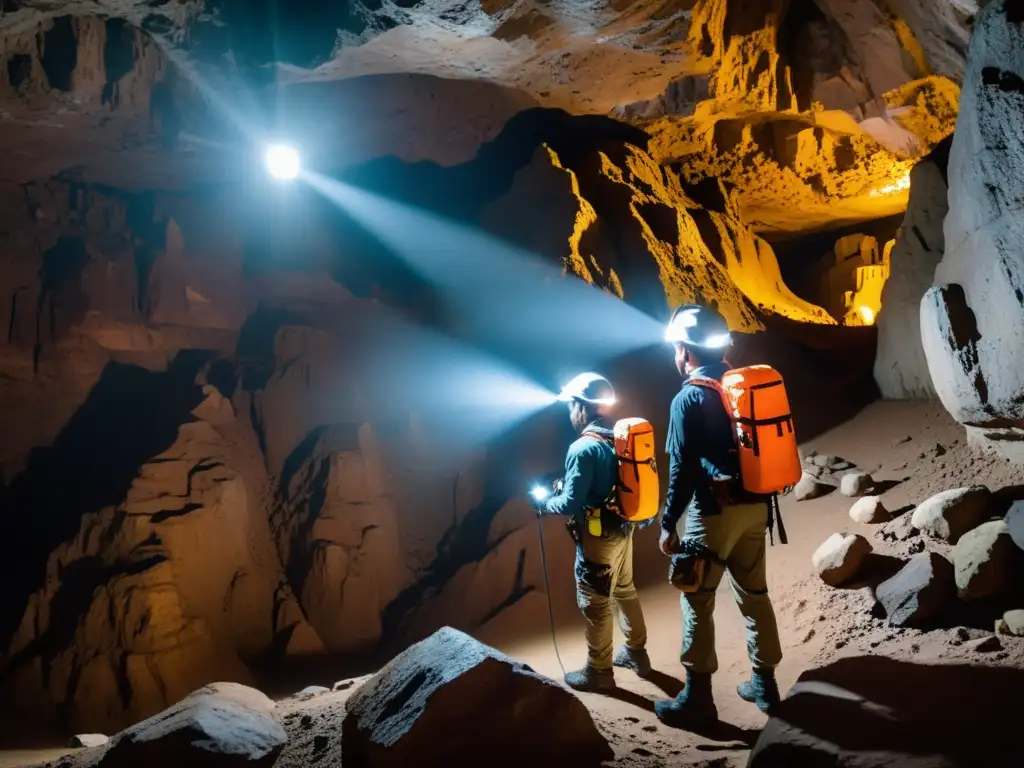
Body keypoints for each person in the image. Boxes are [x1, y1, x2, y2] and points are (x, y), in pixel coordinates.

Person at [653, 305, 783, 727]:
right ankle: (765, 685)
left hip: (713, 513)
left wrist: (668, 521)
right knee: (754, 594)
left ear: (685, 350)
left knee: (696, 597)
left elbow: (682, 468)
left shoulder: (688, 396)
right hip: (757, 508)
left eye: (676, 348)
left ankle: (698, 698)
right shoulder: (742, 386)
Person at [532, 372, 651, 692]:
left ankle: (599, 672)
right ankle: (637, 654)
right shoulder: (619, 436)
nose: (570, 414)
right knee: (625, 589)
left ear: (581, 407)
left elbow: (572, 502)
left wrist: (545, 505)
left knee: (596, 601)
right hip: (625, 527)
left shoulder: (582, 448)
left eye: (571, 406)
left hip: (598, 537)